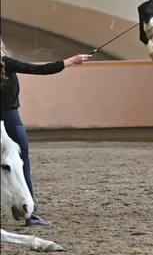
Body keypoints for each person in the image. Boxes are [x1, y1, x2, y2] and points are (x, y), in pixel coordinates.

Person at [0, 37, 91, 226]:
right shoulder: (6, 64)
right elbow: (39, 69)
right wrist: (70, 61)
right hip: (10, 118)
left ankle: (18, 209)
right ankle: (29, 214)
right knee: (22, 161)